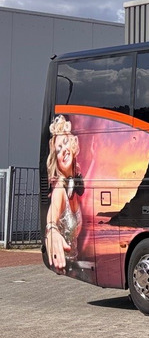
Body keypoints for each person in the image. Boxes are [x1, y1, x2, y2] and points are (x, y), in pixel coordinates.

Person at [45, 115, 84, 273]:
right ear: (57, 160)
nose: (63, 151)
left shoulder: (74, 187)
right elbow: (51, 219)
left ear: (74, 144)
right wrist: (51, 231)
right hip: (63, 267)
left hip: (74, 267)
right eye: (58, 150)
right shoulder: (60, 189)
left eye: (65, 143)